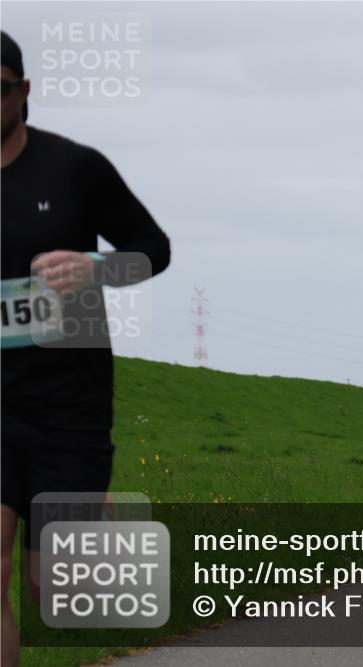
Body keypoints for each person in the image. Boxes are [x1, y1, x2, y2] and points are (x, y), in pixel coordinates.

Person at [1, 31, 172, 667]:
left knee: (53, 592)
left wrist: (96, 269)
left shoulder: (74, 167)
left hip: (68, 403)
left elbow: (155, 249)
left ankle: (98, 519)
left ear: (21, 93)